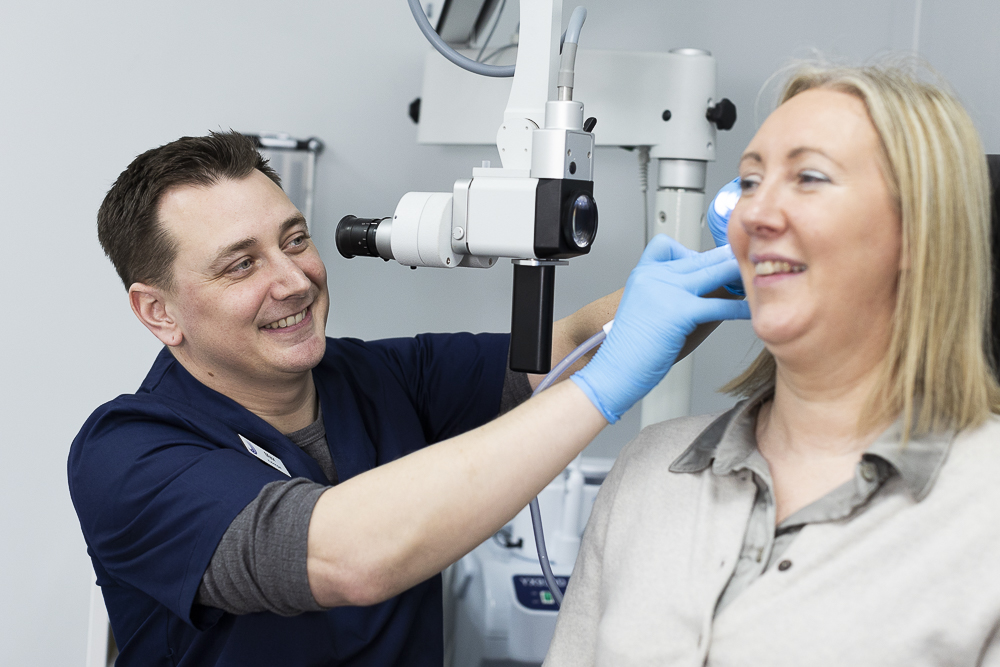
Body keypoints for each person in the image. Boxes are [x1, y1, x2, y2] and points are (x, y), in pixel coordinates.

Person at [68, 131, 749, 666]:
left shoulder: (379, 375)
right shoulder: (128, 454)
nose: (294, 280)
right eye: (242, 263)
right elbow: (347, 555)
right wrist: (603, 390)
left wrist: (721, 270)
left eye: (294, 240)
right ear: (159, 312)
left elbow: (568, 346)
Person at [544, 62, 1000, 666]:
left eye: (809, 178)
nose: (752, 216)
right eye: (750, 183)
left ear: (920, 232)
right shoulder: (650, 470)